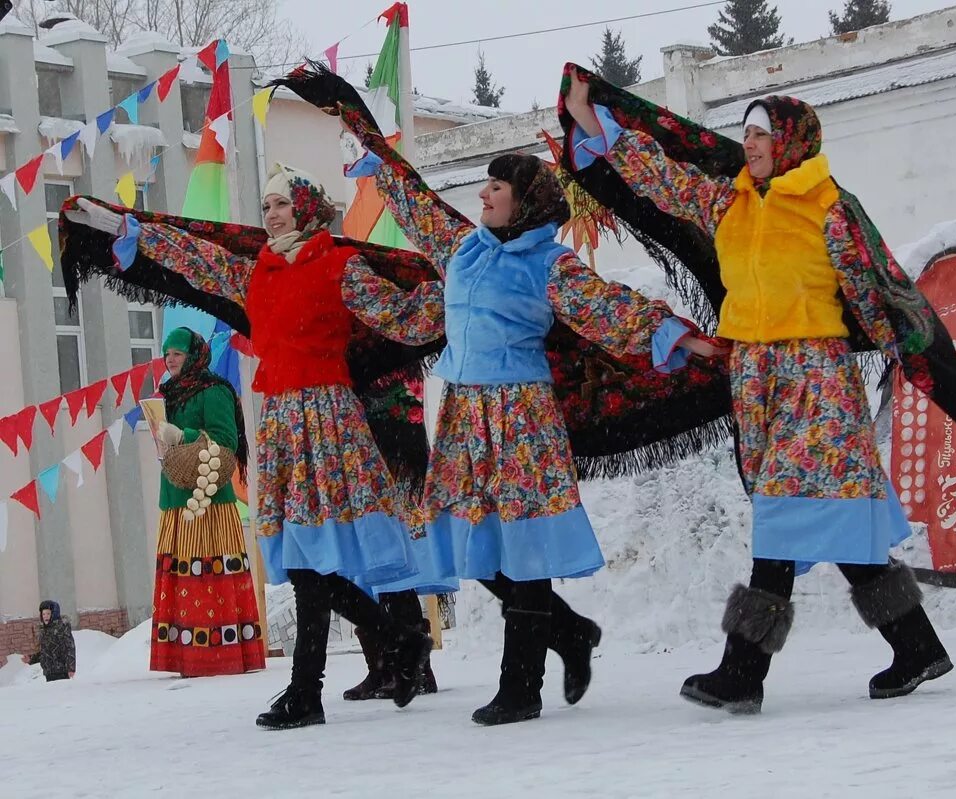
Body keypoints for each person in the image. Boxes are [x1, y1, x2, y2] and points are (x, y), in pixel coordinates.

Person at [278, 64, 726, 726]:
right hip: (464, 414)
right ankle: (570, 632)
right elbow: (408, 193)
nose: (484, 193)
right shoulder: (463, 249)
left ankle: (522, 683)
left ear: (527, 201)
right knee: (466, 541)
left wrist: (680, 338)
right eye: (485, 183)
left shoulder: (547, 262)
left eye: (497, 185)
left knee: (520, 547)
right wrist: (349, 115)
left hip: (522, 416)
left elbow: (607, 307)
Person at [561, 66, 956, 713]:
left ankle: (742, 671)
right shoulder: (731, 201)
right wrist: (594, 125)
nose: (749, 144)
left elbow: (872, 288)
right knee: (839, 531)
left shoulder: (827, 208)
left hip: (815, 385)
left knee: (780, 519)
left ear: (791, 141)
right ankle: (917, 645)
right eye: (745, 134)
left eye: (761, 134)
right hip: (760, 382)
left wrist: (904, 356)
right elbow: (664, 180)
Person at [62, 163, 445, 730]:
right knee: (300, 561)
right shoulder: (256, 273)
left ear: (307, 210)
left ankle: (320, 684)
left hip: (330, 422)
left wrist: (460, 292)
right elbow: (196, 257)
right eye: (266, 206)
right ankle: (393, 644)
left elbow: (402, 316)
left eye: (281, 205)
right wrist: (125, 229)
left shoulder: (342, 265)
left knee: (314, 561)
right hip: (284, 425)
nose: (271, 215)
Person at [150, 326, 265, 677]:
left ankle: (218, 656)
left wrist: (181, 434)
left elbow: (226, 440)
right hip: (175, 497)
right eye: (167, 353)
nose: (170, 360)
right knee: (182, 574)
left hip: (208, 499)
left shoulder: (214, 390)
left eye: (178, 354)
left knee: (209, 570)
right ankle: (185, 657)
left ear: (194, 356)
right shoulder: (166, 394)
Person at [23, 601, 76, 682]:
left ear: (54, 614)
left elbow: (70, 648)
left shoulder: (62, 628)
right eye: (43, 614)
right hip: (49, 672)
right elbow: (45, 652)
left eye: (48, 613)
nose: (45, 616)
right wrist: (31, 659)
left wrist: (71, 668)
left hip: (61, 671)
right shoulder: (44, 631)